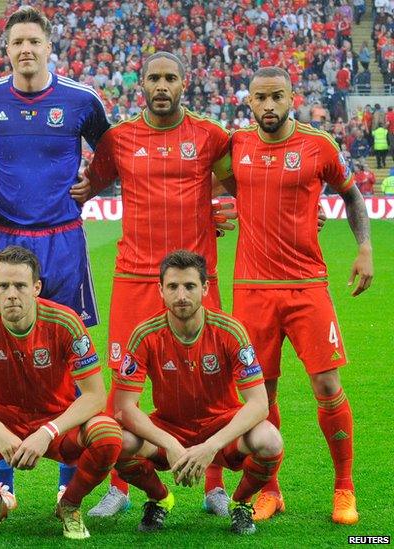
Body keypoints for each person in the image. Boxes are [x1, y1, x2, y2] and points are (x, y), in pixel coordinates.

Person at [79, 51, 236, 517]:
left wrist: (226, 212)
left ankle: (214, 486)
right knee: (120, 384)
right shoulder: (119, 139)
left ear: (184, 84)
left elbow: (239, 186)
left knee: (214, 380)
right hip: (133, 276)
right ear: (141, 84)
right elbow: (93, 183)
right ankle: (120, 489)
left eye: (170, 77)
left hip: (195, 278)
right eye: (154, 78)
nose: (162, 85)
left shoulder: (210, 136)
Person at [0, 4, 109, 499]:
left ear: (50, 47)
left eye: (34, 42)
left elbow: (111, 154)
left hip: (63, 239)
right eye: (17, 43)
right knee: (2, 353)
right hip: (8, 241)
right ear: (5, 50)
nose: (26, 50)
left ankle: (65, 478)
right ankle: (4, 480)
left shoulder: (80, 100)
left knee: (71, 353)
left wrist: (92, 186)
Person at [231, 67, 373, 524]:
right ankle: (271, 490)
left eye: (276, 97)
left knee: (327, 386)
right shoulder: (235, 146)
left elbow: (351, 196)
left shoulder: (320, 145)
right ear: (248, 102)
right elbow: (201, 187)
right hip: (252, 289)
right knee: (261, 394)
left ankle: (344, 488)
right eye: (260, 98)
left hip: (307, 286)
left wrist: (365, 249)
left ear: (292, 96)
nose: (268, 106)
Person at [0, 246, 122, 540]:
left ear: (36, 288)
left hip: (55, 419)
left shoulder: (65, 321)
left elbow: (95, 395)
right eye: (3, 286)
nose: (11, 294)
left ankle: (69, 504)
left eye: (20, 285)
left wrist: (47, 432)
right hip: (3, 418)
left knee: (107, 433)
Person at [112, 250, 282, 535]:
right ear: (160, 291)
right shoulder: (144, 334)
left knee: (269, 440)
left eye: (190, 286)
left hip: (222, 427)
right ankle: (160, 499)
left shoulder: (230, 331)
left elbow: (259, 404)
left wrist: (211, 446)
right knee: (117, 441)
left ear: (204, 288)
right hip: (169, 427)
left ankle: (240, 502)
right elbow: (125, 408)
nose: (181, 295)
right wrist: (169, 443)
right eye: (173, 287)